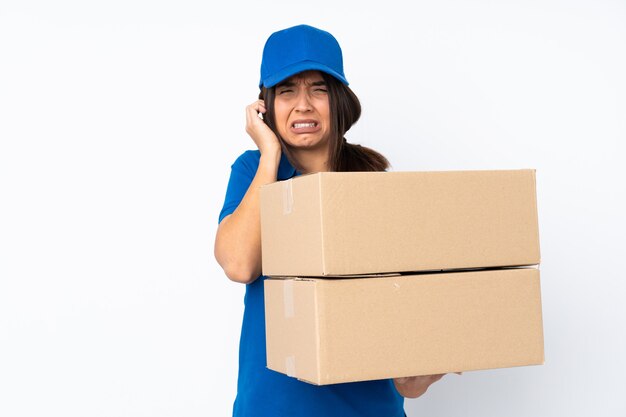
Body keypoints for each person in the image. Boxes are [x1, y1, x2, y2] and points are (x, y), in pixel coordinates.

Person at [215, 24, 446, 417]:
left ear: (337, 99)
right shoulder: (253, 170)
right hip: (274, 408)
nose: (303, 105)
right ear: (265, 104)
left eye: (318, 90)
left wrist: (421, 372)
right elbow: (239, 265)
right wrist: (269, 153)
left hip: (367, 407)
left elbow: (401, 333)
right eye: (287, 90)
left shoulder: (372, 182)